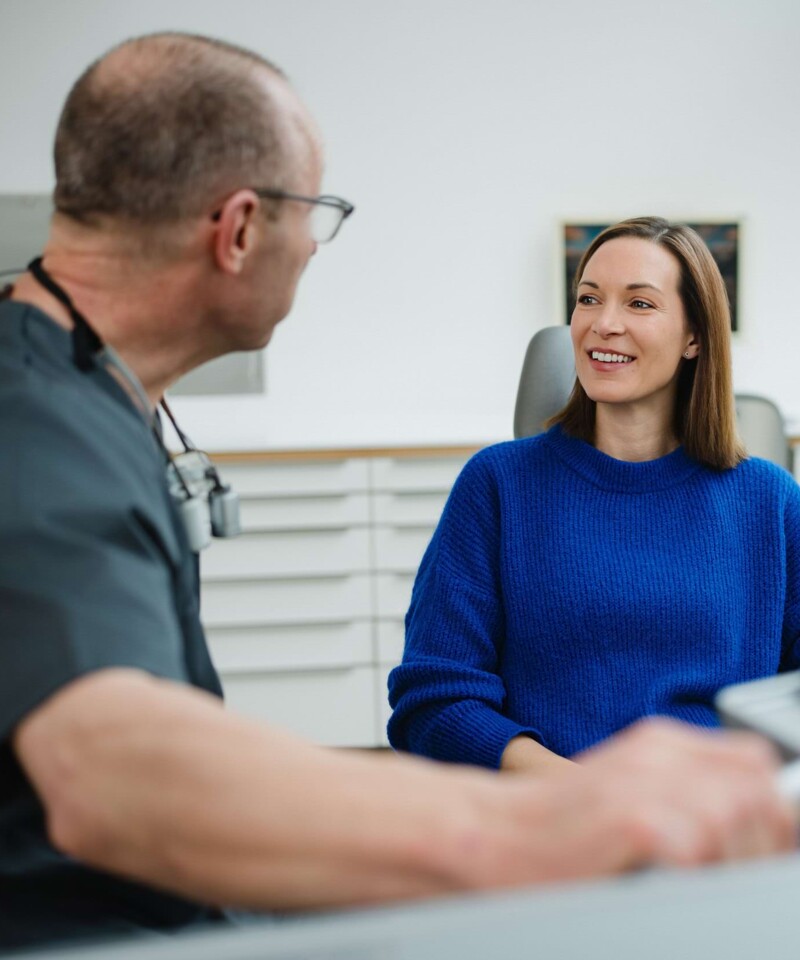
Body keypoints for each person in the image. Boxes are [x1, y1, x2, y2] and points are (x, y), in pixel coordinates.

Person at [0, 35, 794, 955]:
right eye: (318, 211)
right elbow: (115, 775)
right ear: (241, 229)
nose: (314, 246)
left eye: (641, 303)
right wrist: (551, 823)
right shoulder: (38, 429)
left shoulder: (94, 403)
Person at [387, 217, 800, 777]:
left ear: (695, 336)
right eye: (589, 299)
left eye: (639, 304)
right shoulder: (497, 486)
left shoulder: (770, 502)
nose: (604, 324)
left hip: (714, 833)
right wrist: (582, 794)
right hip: (552, 823)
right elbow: (435, 700)